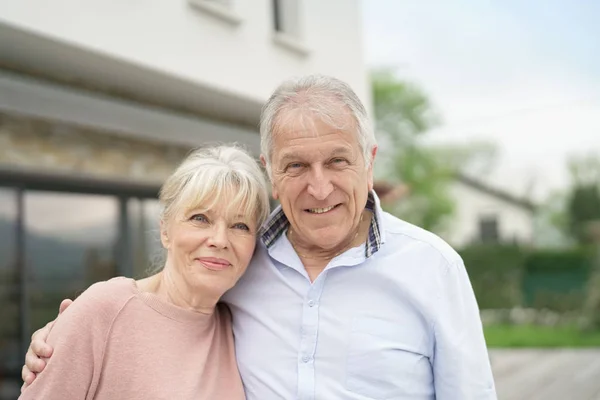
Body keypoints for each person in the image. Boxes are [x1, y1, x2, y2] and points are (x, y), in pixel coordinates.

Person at [22, 75, 497, 399]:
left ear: (369, 161)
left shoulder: (434, 268)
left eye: (337, 161)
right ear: (273, 173)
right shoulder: (241, 272)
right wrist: (70, 332)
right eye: (297, 165)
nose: (319, 186)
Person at [18, 145, 271, 399]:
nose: (220, 239)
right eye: (200, 218)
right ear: (165, 231)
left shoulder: (240, 325)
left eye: (240, 225)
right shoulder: (103, 310)